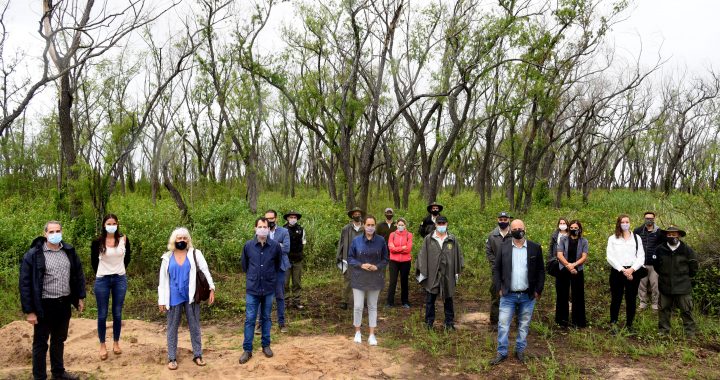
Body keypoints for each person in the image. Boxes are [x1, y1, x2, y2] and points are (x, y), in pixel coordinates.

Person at [20, 220, 86, 380]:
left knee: (59, 340)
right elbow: (25, 283)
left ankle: (58, 373)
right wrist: (30, 311)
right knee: (40, 344)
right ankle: (39, 376)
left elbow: (78, 275)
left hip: (63, 304)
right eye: (51, 232)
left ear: (62, 232)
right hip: (44, 305)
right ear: (45, 234)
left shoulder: (68, 251)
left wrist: (79, 297)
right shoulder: (34, 255)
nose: (55, 234)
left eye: (58, 231)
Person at [158, 227, 216, 370]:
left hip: (191, 296)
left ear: (188, 240)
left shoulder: (195, 253)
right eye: (179, 238)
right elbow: (162, 280)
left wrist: (212, 288)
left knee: (195, 326)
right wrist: (161, 300)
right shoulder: (167, 257)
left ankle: (198, 354)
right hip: (173, 298)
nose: (182, 241)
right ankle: (172, 358)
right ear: (174, 240)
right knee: (172, 328)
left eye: (184, 238)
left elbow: (205, 270)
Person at [490, 219, 544, 365]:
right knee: (503, 324)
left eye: (520, 228)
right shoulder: (504, 247)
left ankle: (520, 350)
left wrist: (538, 290)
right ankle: (502, 352)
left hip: (528, 295)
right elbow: (497, 269)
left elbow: (540, 271)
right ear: (510, 230)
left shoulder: (535, 247)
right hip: (508, 294)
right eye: (514, 228)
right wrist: (499, 288)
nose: (517, 230)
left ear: (525, 229)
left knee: (524, 324)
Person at [239, 217, 282, 364]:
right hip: (253, 289)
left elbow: (277, 265)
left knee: (266, 318)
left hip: (269, 288)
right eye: (260, 226)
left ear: (269, 228)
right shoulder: (248, 246)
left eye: (265, 226)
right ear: (255, 228)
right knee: (250, 319)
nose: (263, 229)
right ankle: (247, 349)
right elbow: (245, 266)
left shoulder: (275, 246)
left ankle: (266, 345)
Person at [90, 214, 132, 360]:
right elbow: (94, 262)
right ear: (104, 225)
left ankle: (116, 342)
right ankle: (102, 345)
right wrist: (104, 273)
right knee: (102, 313)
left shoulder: (123, 240)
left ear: (117, 224)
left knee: (117, 313)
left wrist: (118, 271)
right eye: (109, 223)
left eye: (114, 223)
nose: (112, 225)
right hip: (102, 280)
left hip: (119, 279)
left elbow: (127, 259)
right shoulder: (97, 242)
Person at [416, 216, 464, 330]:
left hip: (447, 273)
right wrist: (423, 272)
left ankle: (449, 323)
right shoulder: (429, 239)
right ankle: (429, 323)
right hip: (433, 273)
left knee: (448, 298)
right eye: (439, 223)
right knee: (430, 299)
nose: (441, 225)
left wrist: (456, 272)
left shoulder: (452, 239)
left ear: (447, 224)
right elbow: (422, 255)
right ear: (436, 224)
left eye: (443, 223)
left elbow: (458, 256)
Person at [348, 215, 389, 346]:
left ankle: (372, 334)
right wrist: (361, 265)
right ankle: (357, 332)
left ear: (375, 226)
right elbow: (350, 258)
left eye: (372, 225)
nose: (370, 228)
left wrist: (377, 266)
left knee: (372, 306)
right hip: (359, 277)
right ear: (363, 226)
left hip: (375, 278)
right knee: (358, 306)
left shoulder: (381, 241)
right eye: (368, 225)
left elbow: (385, 258)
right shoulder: (356, 241)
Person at [651, 225, 698, 337]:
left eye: (674, 234)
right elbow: (656, 266)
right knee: (664, 311)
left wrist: (684, 277)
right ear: (666, 236)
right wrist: (665, 275)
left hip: (683, 286)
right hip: (665, 285)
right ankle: (663, 332)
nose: (672, 236)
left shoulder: (687, 250)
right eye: (669, 234)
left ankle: (690, 333)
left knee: (686, 311)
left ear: (679, 235)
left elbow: (694, 268)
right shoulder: (660, 249)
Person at [606, 214, 645, 333]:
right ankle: (613, 323)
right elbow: (610, 257)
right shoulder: (613, 238)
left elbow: (641, 256)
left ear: (630, 223)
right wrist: (623, 270)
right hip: (618, 272)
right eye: (623, 222)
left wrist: (632, 269)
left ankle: (629, 324)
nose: (625, 224)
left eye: (627, 221)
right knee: (616, 299)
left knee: (631, 299)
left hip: (633, 272)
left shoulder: (637, 238)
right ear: (619, 223)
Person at [554, 220, 588, 328]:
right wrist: (568, 265)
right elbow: (559, 254)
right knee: (562, 295)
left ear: (580, 229)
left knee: (578, 295)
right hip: (564, 269)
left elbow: (584, 256)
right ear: (569, 228)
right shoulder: (563, 239)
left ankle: (578, 321)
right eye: (572, 227)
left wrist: (574, 265)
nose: (574, 229)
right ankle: (561, 321)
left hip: (578, 270)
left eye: (576, 228)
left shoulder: (584, 241)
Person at [485, 211, 513, 329]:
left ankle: (511, 321)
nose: (503, 222)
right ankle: (494, 322)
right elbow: (489, 252)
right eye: (501, 220)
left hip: (512, 270)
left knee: (512, 294)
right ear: (497, 220)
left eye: (505, 219)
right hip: (497, 270)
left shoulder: (514, 234)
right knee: (496, 295)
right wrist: (495, 265)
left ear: (509, 220)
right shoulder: (492, 235)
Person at [265, 209, 291, 333]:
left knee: (280, 296)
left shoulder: (284, 231)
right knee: (263, 296)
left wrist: (269, 243)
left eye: (271, 218)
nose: (269, 221)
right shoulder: (261, 231)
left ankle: (282, 323)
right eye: (267, 218)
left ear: (276, 219)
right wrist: (278, 244)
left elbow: (286, 249)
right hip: (264, 269)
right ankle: (262, 323)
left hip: (280, 268)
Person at [336, 207, 365, 309]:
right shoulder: (346, 229)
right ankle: (345, 301)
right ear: (352, 216)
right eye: (355, 214)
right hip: (349, 258)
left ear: (361, 215)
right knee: (348, 280)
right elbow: (341, 244)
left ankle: (362, 301)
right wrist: (339, 257)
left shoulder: (365, 228)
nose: (357, 215)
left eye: (358, 214)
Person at [634, 211, 662, 310]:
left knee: (655, 285)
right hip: (641, 263)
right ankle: (643, 303)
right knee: (642, 285)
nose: (649, 220)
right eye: (647, 218)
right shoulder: (638, 231)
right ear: (644, 218)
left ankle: (655, 304)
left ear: (654, 219)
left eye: (651, 218)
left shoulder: (659, 232)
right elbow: (634, 246)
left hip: (654, 264)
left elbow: (662, 248)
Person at [386, 218, 413, 308]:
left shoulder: (409, 235)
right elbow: (391, 249)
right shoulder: (392, 235)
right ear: (396, 225)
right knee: (392, 281)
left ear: (405, 226)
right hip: (394, 261)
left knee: (404, 281)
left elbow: (408, 249)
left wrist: (397, 248)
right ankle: (390, 302)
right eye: (399, 224)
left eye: (402, 225)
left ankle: (405, 301)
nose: (401, 226)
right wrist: (402, 248)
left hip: (405, 262)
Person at [283, 210, 306, 310]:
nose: (293, 219)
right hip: (286, 260)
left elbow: (303, 243)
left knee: (297, 282)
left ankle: (297, 301)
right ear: (288, 218)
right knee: (285, 282)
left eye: (294, 217)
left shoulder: (301, 229)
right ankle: (285, 301)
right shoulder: (283, 230)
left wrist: (300, 254)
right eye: (291, 217)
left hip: (297, 260)